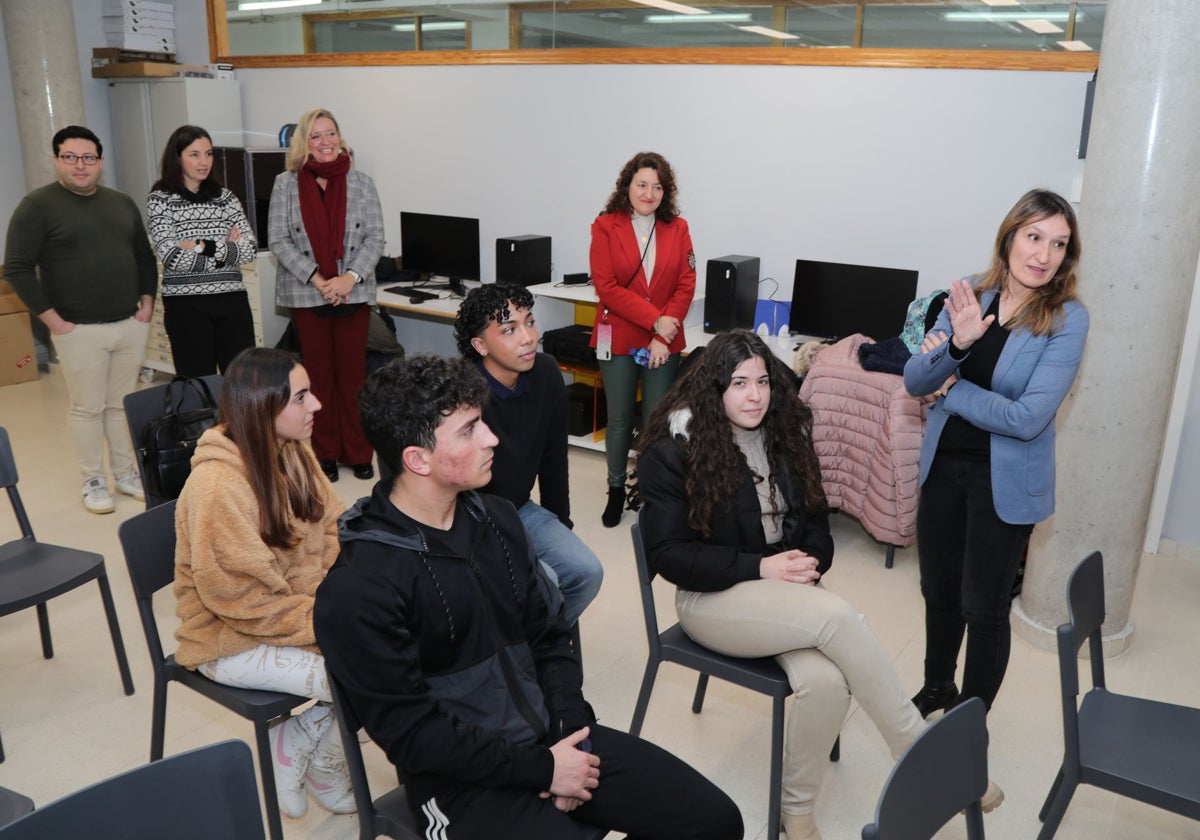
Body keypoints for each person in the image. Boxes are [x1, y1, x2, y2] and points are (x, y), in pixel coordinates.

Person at [313, 354, 743, 840]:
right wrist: (543, 770)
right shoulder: (358, 588)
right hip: (458, 784)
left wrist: (567, 735)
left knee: (716, 821)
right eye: (470, 429)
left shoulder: (497, 520)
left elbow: (550, 637)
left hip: (550, 738)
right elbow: (416, 737)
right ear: (418, 458)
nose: (492, 438)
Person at [635, 330, 956, 840]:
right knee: (838, 617)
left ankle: (795, 812)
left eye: (762, 381)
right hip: (709, 597)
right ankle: (921, 750)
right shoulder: (675, 448)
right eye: (739, 383)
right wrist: (762, 569)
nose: (755, 395)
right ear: (713, 387)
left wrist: (809, 562)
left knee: (827, 682)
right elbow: (669, 556)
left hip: (781, 594)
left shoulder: (784, 434)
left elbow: (815, 521)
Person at [904, 189, 1088, 718]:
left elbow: (1028, 418)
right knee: (937, 592)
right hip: (943, 467)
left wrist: (954, 389)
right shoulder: (969, 296)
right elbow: (917, 379)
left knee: (982, 608)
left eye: (1058, 243)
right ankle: (937, 686)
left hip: (1003, 479)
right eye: (1034, 237)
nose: (1044, 254)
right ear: (1010, 237)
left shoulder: (1067, 318)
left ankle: (969, 720)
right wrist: (957, 347)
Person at [173, 347, 353, 820]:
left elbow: (333, 529)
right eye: (302, 397)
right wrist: (330, 622)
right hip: (226, 638)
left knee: (395, 647)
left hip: (294, 614)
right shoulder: (217, 487)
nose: (316, 406)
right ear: (263, 407)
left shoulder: (292, 450)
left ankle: (298, 742)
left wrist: (347, 600)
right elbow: (242, 600)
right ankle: (308, 753)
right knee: (371, 670)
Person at [3, 125, 156, 514]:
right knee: (87, 408)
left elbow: (143, 256)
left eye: (88, 158)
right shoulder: (37, 206)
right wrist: (53, 321)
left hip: (128, 323)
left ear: (100, 162)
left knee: (121, 404)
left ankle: (125, 473)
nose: (80, 165)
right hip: (77, 329)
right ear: (56, 160)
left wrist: (147, 304)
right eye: (70, 157)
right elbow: (18, 268)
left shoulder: (121, 203)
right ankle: (93, 480)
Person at [453, 283, 603, 625]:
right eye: (509, 330)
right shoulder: (461, 392)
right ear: (480, 345)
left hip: (519, 508)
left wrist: (560, 526)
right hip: (470, 520)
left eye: (530, 322)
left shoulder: (547, 372)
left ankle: (535, 652)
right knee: (541, 583)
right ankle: (516, 657)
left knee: (586, 571)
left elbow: (554, 460)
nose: (528, 337)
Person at [268, 107, 384, 484]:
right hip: (307, 293)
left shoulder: (362, 183)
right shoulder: (285, 184)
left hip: (353, 291)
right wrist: (319, 279)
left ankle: (358, 451)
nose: (325, 142)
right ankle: (325, 452)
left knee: (353, 377)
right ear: (304, 143)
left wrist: (348, 278)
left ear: (340, 138)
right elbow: (279, 241)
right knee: (317, 378)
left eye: (330, 133)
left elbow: (375, 238)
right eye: (316, 136)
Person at [589, 151, 696, 528]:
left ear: (666, 192)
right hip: (620, 334)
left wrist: (662, 335)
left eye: (657, 186)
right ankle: (616, 489)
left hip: (664, 341)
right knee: (618, 419)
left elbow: (686, 284)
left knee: (657, 421)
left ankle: (652, 493)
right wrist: (656, 321)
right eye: (642, 185)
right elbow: (607, 287)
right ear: (627, 186)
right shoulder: (605, 226)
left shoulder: (678, 228)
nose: (649, 193)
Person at [146, 125, 258, 377]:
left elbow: (249, 249)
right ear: (178, 157)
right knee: (197, 385)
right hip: (186, 306)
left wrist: (200, 245)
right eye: (194, 154)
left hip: (232, 303)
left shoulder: (225, 197)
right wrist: (227, 254)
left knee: (242, 383)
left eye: (208, 154)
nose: (203, 161)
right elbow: (171, 257)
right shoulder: (161, 199)